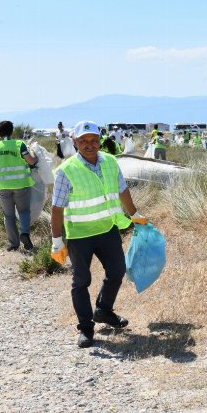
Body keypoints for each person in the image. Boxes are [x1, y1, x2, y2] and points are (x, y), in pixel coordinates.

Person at [50, 121, 148, 348]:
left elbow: (122, 190)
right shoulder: (66, 170)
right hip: (80, 235)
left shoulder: (111, 162)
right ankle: (85, 328)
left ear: (100, 141)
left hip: (107, 229)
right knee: (81, 281)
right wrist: (57, 242)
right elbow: (57, 208)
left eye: (94, 140)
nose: (89, 145)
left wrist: (135, 214)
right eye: (83, 141)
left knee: (117, 271)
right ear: (74, 143)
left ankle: (103, 310)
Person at [0, 121, 37, 251]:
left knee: (8, 215)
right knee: (24, 211)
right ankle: (24, 233)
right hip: (21, 185)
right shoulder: (19, 145)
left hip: (3, 186)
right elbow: (31, 161)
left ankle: (13, 244)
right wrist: (33, 154)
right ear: (12, 131)